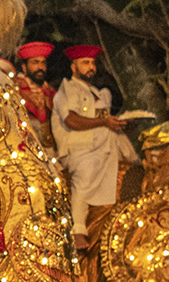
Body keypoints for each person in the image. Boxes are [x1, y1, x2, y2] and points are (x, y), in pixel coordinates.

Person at [53, 45, 126, 248]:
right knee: (84, 176)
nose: (91, 66)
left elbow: (102, 120)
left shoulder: (97, 92)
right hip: (78, 149)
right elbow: (72, 121)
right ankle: (77, 230)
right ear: (73, 67)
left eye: (93, 63)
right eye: (85, 62)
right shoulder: (67, 90)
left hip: (105, 147)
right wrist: (104, 123)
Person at [12, 41, 56, 149]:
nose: (40, 67)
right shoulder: (15, 89)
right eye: (35, 63)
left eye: (43, 63)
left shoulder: (50, 91)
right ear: (24, 67)